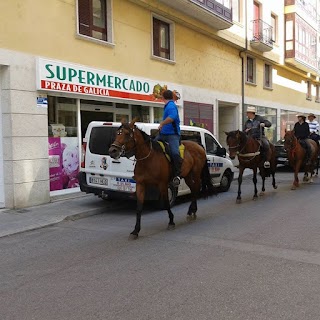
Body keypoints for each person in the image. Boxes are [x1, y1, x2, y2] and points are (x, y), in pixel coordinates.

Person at [156, 89, 182, 186]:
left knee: (175, 153)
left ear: (163, 97)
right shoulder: (167, 105)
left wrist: (162, 123)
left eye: (161, 96)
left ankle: (177, 174)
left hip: (172, 135)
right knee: (151, 147)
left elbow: (172, 118)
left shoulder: (171, 105)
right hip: (163, 134)